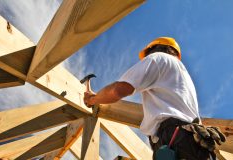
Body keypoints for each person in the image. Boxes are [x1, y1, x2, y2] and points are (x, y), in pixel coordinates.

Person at [84, 37, 219, 159]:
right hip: (193, 144)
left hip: (174, 139)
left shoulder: (158, 58)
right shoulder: (182, 76)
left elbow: (117, 90)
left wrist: (92, 99)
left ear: (153, 49)